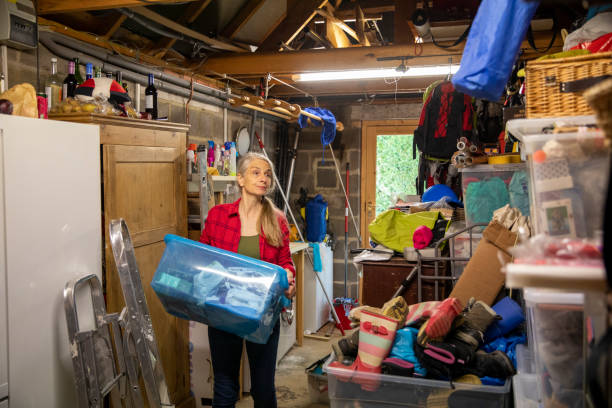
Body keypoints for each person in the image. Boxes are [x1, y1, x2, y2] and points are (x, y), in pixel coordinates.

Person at [199, 152, 296, 408]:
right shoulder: (218, 216)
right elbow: (203, 258)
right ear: (240, 179)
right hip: (224, 311)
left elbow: (286, 261)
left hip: (263, 314)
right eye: (256, 172)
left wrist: (289, 276)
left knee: (263, 389)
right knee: (225, 386)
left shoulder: (278, 221)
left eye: (267, 174)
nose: (263, 178)